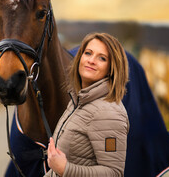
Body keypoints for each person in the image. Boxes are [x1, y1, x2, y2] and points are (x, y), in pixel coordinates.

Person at [44, 32, 129, 177]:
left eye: (102, 58)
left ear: (111, 68)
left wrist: (65, 169)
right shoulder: (78, 100)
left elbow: (114, 172)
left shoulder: (108, 113)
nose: (91, 60)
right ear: (80, 58)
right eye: (88, 53)